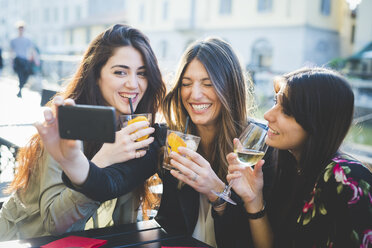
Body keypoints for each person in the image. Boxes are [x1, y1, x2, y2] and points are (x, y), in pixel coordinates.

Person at [56, 37, 273, 248]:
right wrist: (75, 163)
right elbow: (112, 183)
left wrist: (217, 193)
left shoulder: (256, 145)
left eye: (208, 84)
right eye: (186, 84)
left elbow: (254, 240)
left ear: (230, 87)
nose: (194, 94)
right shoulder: (167, 138)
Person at [0, 24, 165, 241]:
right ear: (96, 75)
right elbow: (55, 225)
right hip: (22, 240)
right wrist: (99, 163)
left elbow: (124, 219)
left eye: (142, 74)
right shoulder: (65, 128)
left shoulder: (137, 130)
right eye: (120, 72)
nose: (133, 84)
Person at [226, 67, 372, 247]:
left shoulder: (347, 177)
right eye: (275, 102)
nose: (267, 115)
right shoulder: (292, 168)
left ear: (317, 122)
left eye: (286, 110)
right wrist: (254, 199)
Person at [10, 21, 34, 98]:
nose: (21, 30)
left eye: (22, 28)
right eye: (20, 28)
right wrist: (12, 61)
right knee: (20, 75)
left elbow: (31, 49)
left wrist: (33, 58)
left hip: (25, 60)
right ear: (18, 29)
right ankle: (20, 91)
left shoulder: (27, 39)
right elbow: (11, 51)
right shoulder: (14, 39)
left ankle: (20, 88)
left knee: (26, 75)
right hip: (17, 60)